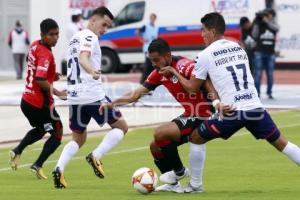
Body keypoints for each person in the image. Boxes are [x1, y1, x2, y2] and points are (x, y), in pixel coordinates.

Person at [158, 12, 300, 191]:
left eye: (203, 30)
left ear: (213, 30)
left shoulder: (206, 54)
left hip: (233, 111)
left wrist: (173, 71)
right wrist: (217, 102)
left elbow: (192, 88)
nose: (201, 34)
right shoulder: (238, 47)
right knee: (282, 143)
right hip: (255, 107)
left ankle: (195, 185)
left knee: (196, 138)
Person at [100, 38, 220, 193]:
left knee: (160, 133)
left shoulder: (184, 65)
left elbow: (203, 81)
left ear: (168, 56)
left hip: (204, 114)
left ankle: (179, 171)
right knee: (155, 146)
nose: (154, 64)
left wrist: (216, 102)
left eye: (156, 60)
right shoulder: (158, 73)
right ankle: (173, 185)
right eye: (151, 60)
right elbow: (136, 94)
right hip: (190, 114)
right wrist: (112, 104)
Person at [52, 6, 128, 189]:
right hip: (92, 95)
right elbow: (83, 57)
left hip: (75, 97)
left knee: (79, 138)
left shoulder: (74, 39)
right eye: (104, 24)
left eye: (108, 27)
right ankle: (96, 155)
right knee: (121, 127)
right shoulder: (89, 36)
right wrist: (92, 70)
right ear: (93, 20)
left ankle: (58, 168)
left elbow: (74, 61)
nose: (105, 30)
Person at [9, 18, 66, 179]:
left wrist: (51, 74)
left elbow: (31, 63)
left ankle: (17, 151)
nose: (55, 38)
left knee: (41, 130)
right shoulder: (46, 54)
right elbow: (40, 80)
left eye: (57, 34)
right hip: (40, 103)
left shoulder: (35, 44)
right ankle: (37, 165)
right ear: (43, 34)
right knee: (57, 133)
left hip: (26, 101)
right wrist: (58, 92)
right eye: (51, 35)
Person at [252, 8, 279, 99]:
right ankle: (257, 93)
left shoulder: (273, 24)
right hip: (259, 52)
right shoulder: (259, 24)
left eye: (269, 15)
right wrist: (257, 23)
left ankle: (269, 92)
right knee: (258, 74)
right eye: (266, 15)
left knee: (270, 74)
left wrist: (266, 21)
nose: (268, 16)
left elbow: (277, 29)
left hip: (270, 53)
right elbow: (254, 35)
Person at [136, 13, 159, 83]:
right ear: (150, 18)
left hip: (153, 48)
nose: (152, 19)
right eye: (151, 18)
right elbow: (137, 32)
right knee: (148, 65)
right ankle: (144, 81)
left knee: (152, 65)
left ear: (155, 19)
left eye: (154, 18)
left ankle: (149, 81)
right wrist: (142, 40)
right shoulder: (146, 26)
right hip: (147, 48)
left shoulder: (156, 27)